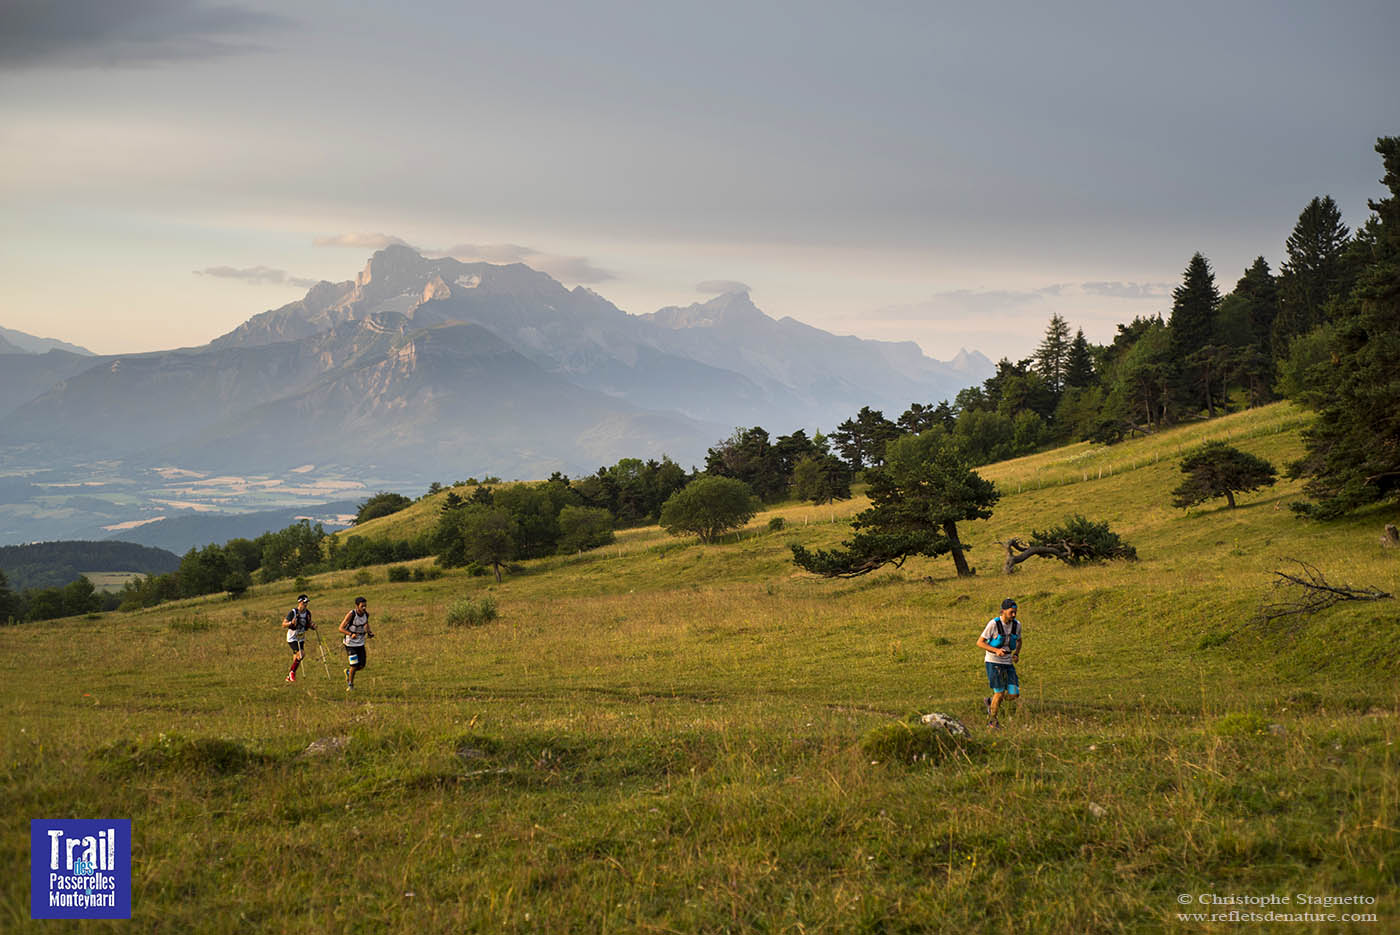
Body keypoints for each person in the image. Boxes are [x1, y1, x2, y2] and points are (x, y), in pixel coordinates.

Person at [977, 598, 1024, 729]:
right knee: (1000, 693)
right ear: (1003, 611)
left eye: (1015, 612)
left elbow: (1019, 641)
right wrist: (996, 650)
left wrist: (1016, 654)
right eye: (1011, 612)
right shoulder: (993, 624)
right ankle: (992, 721)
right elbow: (980, 642)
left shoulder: (1017, 625)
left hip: (1008, 662)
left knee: (1014, 694)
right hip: (993, 662)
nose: (1014, 615)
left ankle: (991, 702)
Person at [338, 596, 374, 691]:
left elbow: (366, 624)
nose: (364, 608)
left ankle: (349, 672)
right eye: (362, 606)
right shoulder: (351, 614)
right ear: (357, 606)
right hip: (350, 644)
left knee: (361, 665)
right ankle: (350, 685)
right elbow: (340, 628)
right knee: (354, 665)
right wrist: (350, 634)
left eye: (365, 606)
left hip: (360, 643)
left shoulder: (366, 614)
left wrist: (369, 632)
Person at [282, 594, 315, 683]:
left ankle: (289, 677)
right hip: (292, 638)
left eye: (307, 602)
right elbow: (283, 624)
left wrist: (312, 626)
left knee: (297, 657)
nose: (306, 604)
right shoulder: (293, 612)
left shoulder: (308, 613)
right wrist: (290, 623)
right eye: (304, 602)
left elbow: (309, 623)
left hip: (301, 637)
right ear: (299, 602)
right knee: (301, 654)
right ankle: (292, 672)